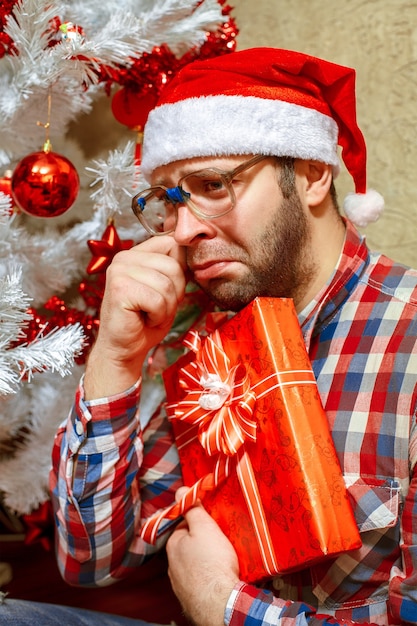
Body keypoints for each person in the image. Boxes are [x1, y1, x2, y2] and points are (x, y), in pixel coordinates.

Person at [3, 47, 417, 625]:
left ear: (313, 174)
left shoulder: (408, 343)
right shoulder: (212, 339)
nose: (186, 229)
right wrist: (117, 360)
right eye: (170, 199)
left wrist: (225, 607)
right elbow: (90, 558)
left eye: (213, 185)